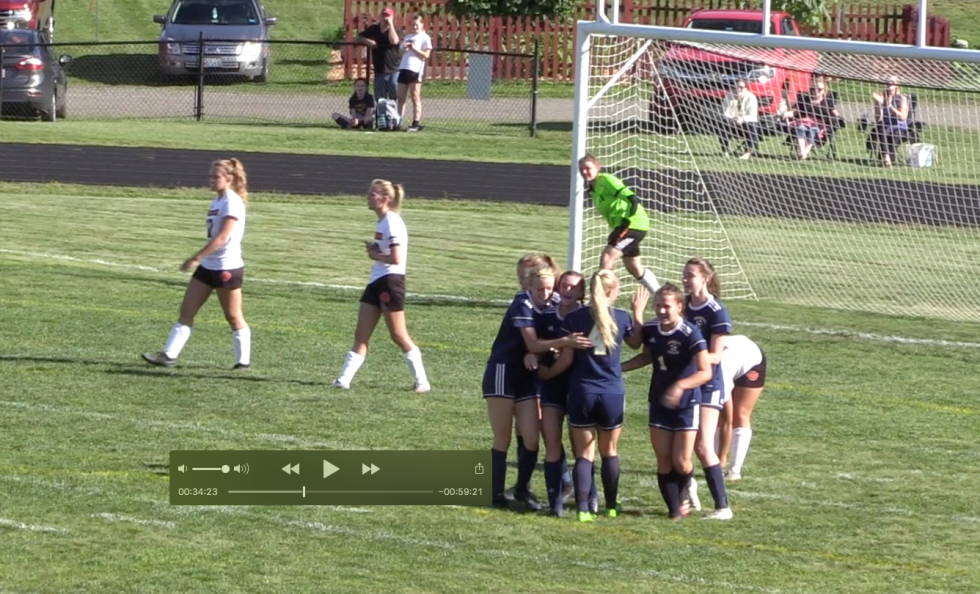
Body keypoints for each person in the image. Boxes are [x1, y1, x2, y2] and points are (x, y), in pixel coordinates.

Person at [483, 264, 592, 510]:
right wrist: (565, 341)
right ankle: (495, 495)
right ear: (529, 287)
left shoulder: (551, 304)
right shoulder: (522, 303)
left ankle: (522, 489)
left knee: (531, 438)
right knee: (503, 436)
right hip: (503, 372)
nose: (545, 293)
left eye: (549, 288)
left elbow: (539, 345)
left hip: (527, 376)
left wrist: (539, 353)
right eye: (540, 289)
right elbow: (532, 342)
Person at [539, 270, 643, 522]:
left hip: (582, 391)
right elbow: (636, 343)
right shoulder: (621, 317)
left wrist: (547, 373)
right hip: (611, 392)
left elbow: (565, 360)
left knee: (584, 454)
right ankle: (611, 506)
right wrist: (638, 312)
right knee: (609, 451)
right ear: (613, 290)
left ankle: (583, 509)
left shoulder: (574, 318)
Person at [142, 159, 251, 369]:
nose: (211, 180)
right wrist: (202, 259)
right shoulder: (218, 200)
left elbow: (222, 238)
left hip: (226, 267)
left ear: (229, 178)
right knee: (187, 310)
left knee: (233, 316)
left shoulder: (232, 201)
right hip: (208, 266)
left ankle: (243, 362)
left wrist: (196, 258)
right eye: (210, 176)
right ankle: (169, 355)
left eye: (216, 176)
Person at [623, 283, 713, 520]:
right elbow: (644, 354)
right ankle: (675, 511)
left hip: (687, 404)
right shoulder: (652, 329)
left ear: (679, 306)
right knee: (663, 459)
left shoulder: (690, 333)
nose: (661, 311)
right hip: (659, 401)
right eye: (658, 306)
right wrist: (619, 368)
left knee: (681, 462)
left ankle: (688, 483)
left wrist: (680, 386)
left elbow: (705, 372)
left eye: (667, 306)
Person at [331, 179, 430, 392]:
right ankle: (343, 380)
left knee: (398, 335)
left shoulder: (392, 222)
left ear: (384, 198)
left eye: (372, 194)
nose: (367, 197)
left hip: (390, 282)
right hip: (376, 280)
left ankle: (422, 381)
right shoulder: (382, 222)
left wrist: (375, 255)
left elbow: (396, 258)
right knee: (361, 334)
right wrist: (375, 250)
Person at [528, 270, 587, 516]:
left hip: (577, 385)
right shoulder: (548, 314)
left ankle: (589, 496)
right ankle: (556, 503)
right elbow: (537, 343)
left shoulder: (587, 316)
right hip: (552, 385)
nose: (567, 290)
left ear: (581, 291)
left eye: (573, 287)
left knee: (580, 446)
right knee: (551, 439)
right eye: (564, 285)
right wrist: (534, 355)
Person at [681, 257, 733, 520]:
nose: (685, 279)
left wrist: (691, 355)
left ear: (705, 278)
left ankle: (723, 507)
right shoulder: (682, 306)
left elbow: (715, 355)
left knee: (703, 445)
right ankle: (688, 487)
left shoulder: (716, 311)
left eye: (690, 275)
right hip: (688, 380)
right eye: (684, 275)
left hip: (709, 384)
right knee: (683, 445)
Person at [578, 154, 660, 294]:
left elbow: (632, 199)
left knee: (607, 257)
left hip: (633, 224)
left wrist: (627, 220)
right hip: (622, 226)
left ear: (597, 168)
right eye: (581, 169)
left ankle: (602, 298)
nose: (584, 172)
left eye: (588, 168)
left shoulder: (606, 180)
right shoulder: (592, 190)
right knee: (634, 267)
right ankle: (660, 293)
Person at [716, 335, 767, 481]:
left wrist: (721, 458)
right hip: (732, 361)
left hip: (750, 359)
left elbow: (727, 419)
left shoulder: (721, 371)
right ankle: (713, 466)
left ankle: (734, 471)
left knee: (740, 413)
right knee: (713, 416)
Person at [782, 78, 840, 160]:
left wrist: (836, 115)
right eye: (813, 89)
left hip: (819, 125)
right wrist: (789, 112)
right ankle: (803, 153)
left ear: (824, 91)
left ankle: (804, 153)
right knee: (800, 128)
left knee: (813, 130)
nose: (816, 91)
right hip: (803, 122)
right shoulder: (805, 99)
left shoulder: (827, 101)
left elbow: (832, 111)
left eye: (819, 89)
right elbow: (796, 109)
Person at [397, 15, 432, 132]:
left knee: (415, 97)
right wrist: (404, 48)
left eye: (417, 25)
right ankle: (398, 121)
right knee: (401, 97)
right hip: (403, 68)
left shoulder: (425, 37)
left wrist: (414, 48)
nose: (414, 27)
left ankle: (416, 122)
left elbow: (426, 55)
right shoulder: (408, 36)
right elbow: (400, 53)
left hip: (415, 70)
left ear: (422, 25)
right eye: (412, 25)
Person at [356, 7, 400, 102]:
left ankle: (395, 112)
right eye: (383, 15)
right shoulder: (374, 29)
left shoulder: (396, 30)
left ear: (392, 17)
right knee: (380, 99)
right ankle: (381, 112)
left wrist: (390, 25)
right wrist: (368, 41)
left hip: (394, 70)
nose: (385, 17)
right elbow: (359, 38)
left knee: (395, 98)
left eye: (388, 15)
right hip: (380, 70)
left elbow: (394, 41)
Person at [871, 76, 910, 167]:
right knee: (881, 130)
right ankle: (886, 157)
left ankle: (890, 157)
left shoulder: (902, 98)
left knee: (895, 134)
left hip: (898, 125)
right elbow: (878, 118)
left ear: (897, 84)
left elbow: (902, 117)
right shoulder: (882, 96)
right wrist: (878, 104)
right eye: (887, 81)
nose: (889, 83)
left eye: (892, 82)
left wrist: (890, 107)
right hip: (885, 125)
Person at [719, 81, 760, 159]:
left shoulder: (751, 97)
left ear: (746, 89)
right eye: (736, 87)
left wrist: (743, 119)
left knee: (753, 124)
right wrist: (734, 119)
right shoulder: (729, 96)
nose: (738, 89)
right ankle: (725, 151)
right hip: (733, 123)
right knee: (724, 122)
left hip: (746, 125)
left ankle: (747, 152)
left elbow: (753, 116)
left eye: (741, 87)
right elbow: (725, 113)